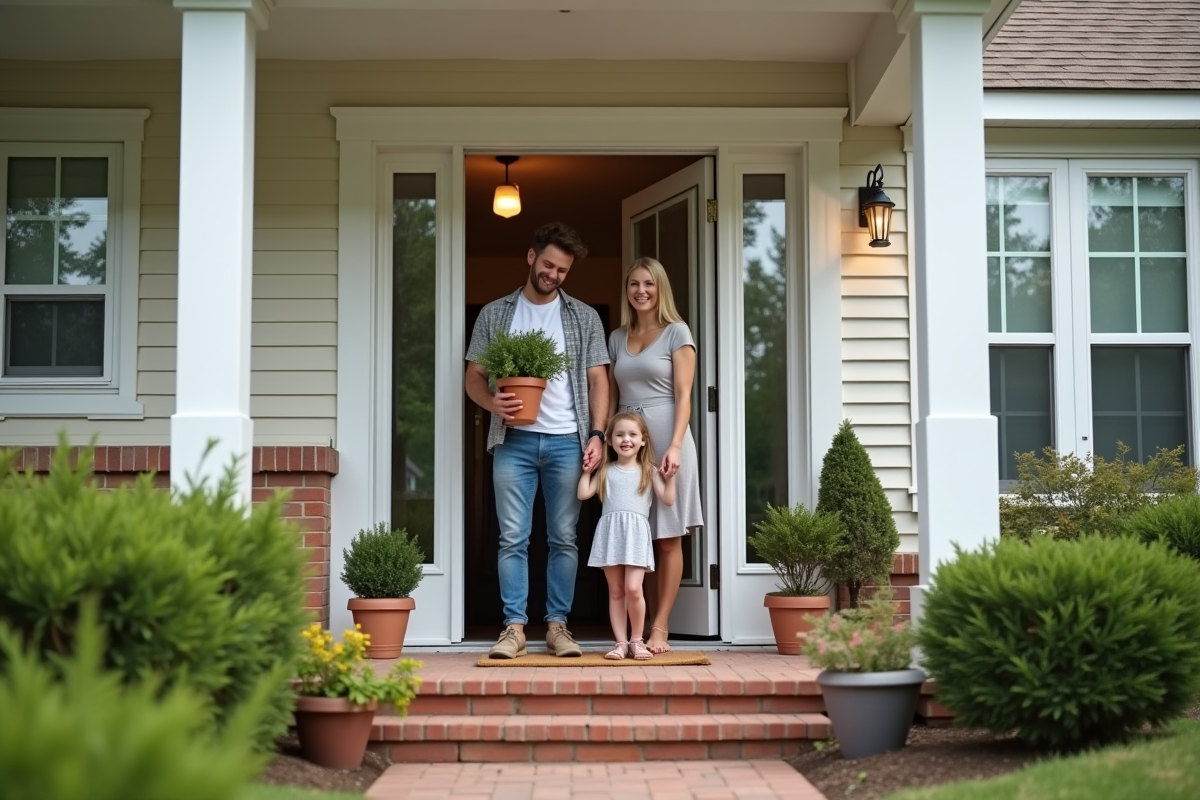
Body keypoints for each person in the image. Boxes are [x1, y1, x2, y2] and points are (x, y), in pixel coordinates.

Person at [465, 221, 610, 660]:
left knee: (564, 537)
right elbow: (473, 377)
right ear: (531, 258)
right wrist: (492, 403)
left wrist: (599, 435)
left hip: (568, 439)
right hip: (514, 441)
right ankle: (513, 629)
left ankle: (557, 627)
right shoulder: (495, 314)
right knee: (513, 537)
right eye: (548, 264)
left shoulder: (583, 316)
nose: (553, 274)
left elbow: (599, 380)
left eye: (562, 270)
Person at [607, 256, 704, 654]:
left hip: (667, 440)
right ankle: (635, 631)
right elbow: (612, 394)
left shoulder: (676, 333)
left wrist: (676, 444)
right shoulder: (617, 337)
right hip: (630, 443)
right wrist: (605, 436)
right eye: (633, 284)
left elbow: (684, 394)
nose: (641, 291)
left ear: (659, 288)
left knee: (667, 538)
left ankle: (660, 626)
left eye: (648, 283)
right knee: (633, 538)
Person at [579, 412, 676, 661]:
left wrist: (670, 478)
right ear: (610, 440)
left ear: (643, 440)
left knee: (634, 589)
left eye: (632, 434)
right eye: (619, 434)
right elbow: (583, 494)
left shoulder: (649, 470)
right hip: (611, 534)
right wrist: (588, 471)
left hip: (635, 535)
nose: (626, 440)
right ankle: (620, 643)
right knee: (616, 591)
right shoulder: (606, 470)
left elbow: (667, 499)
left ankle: (637, 640)